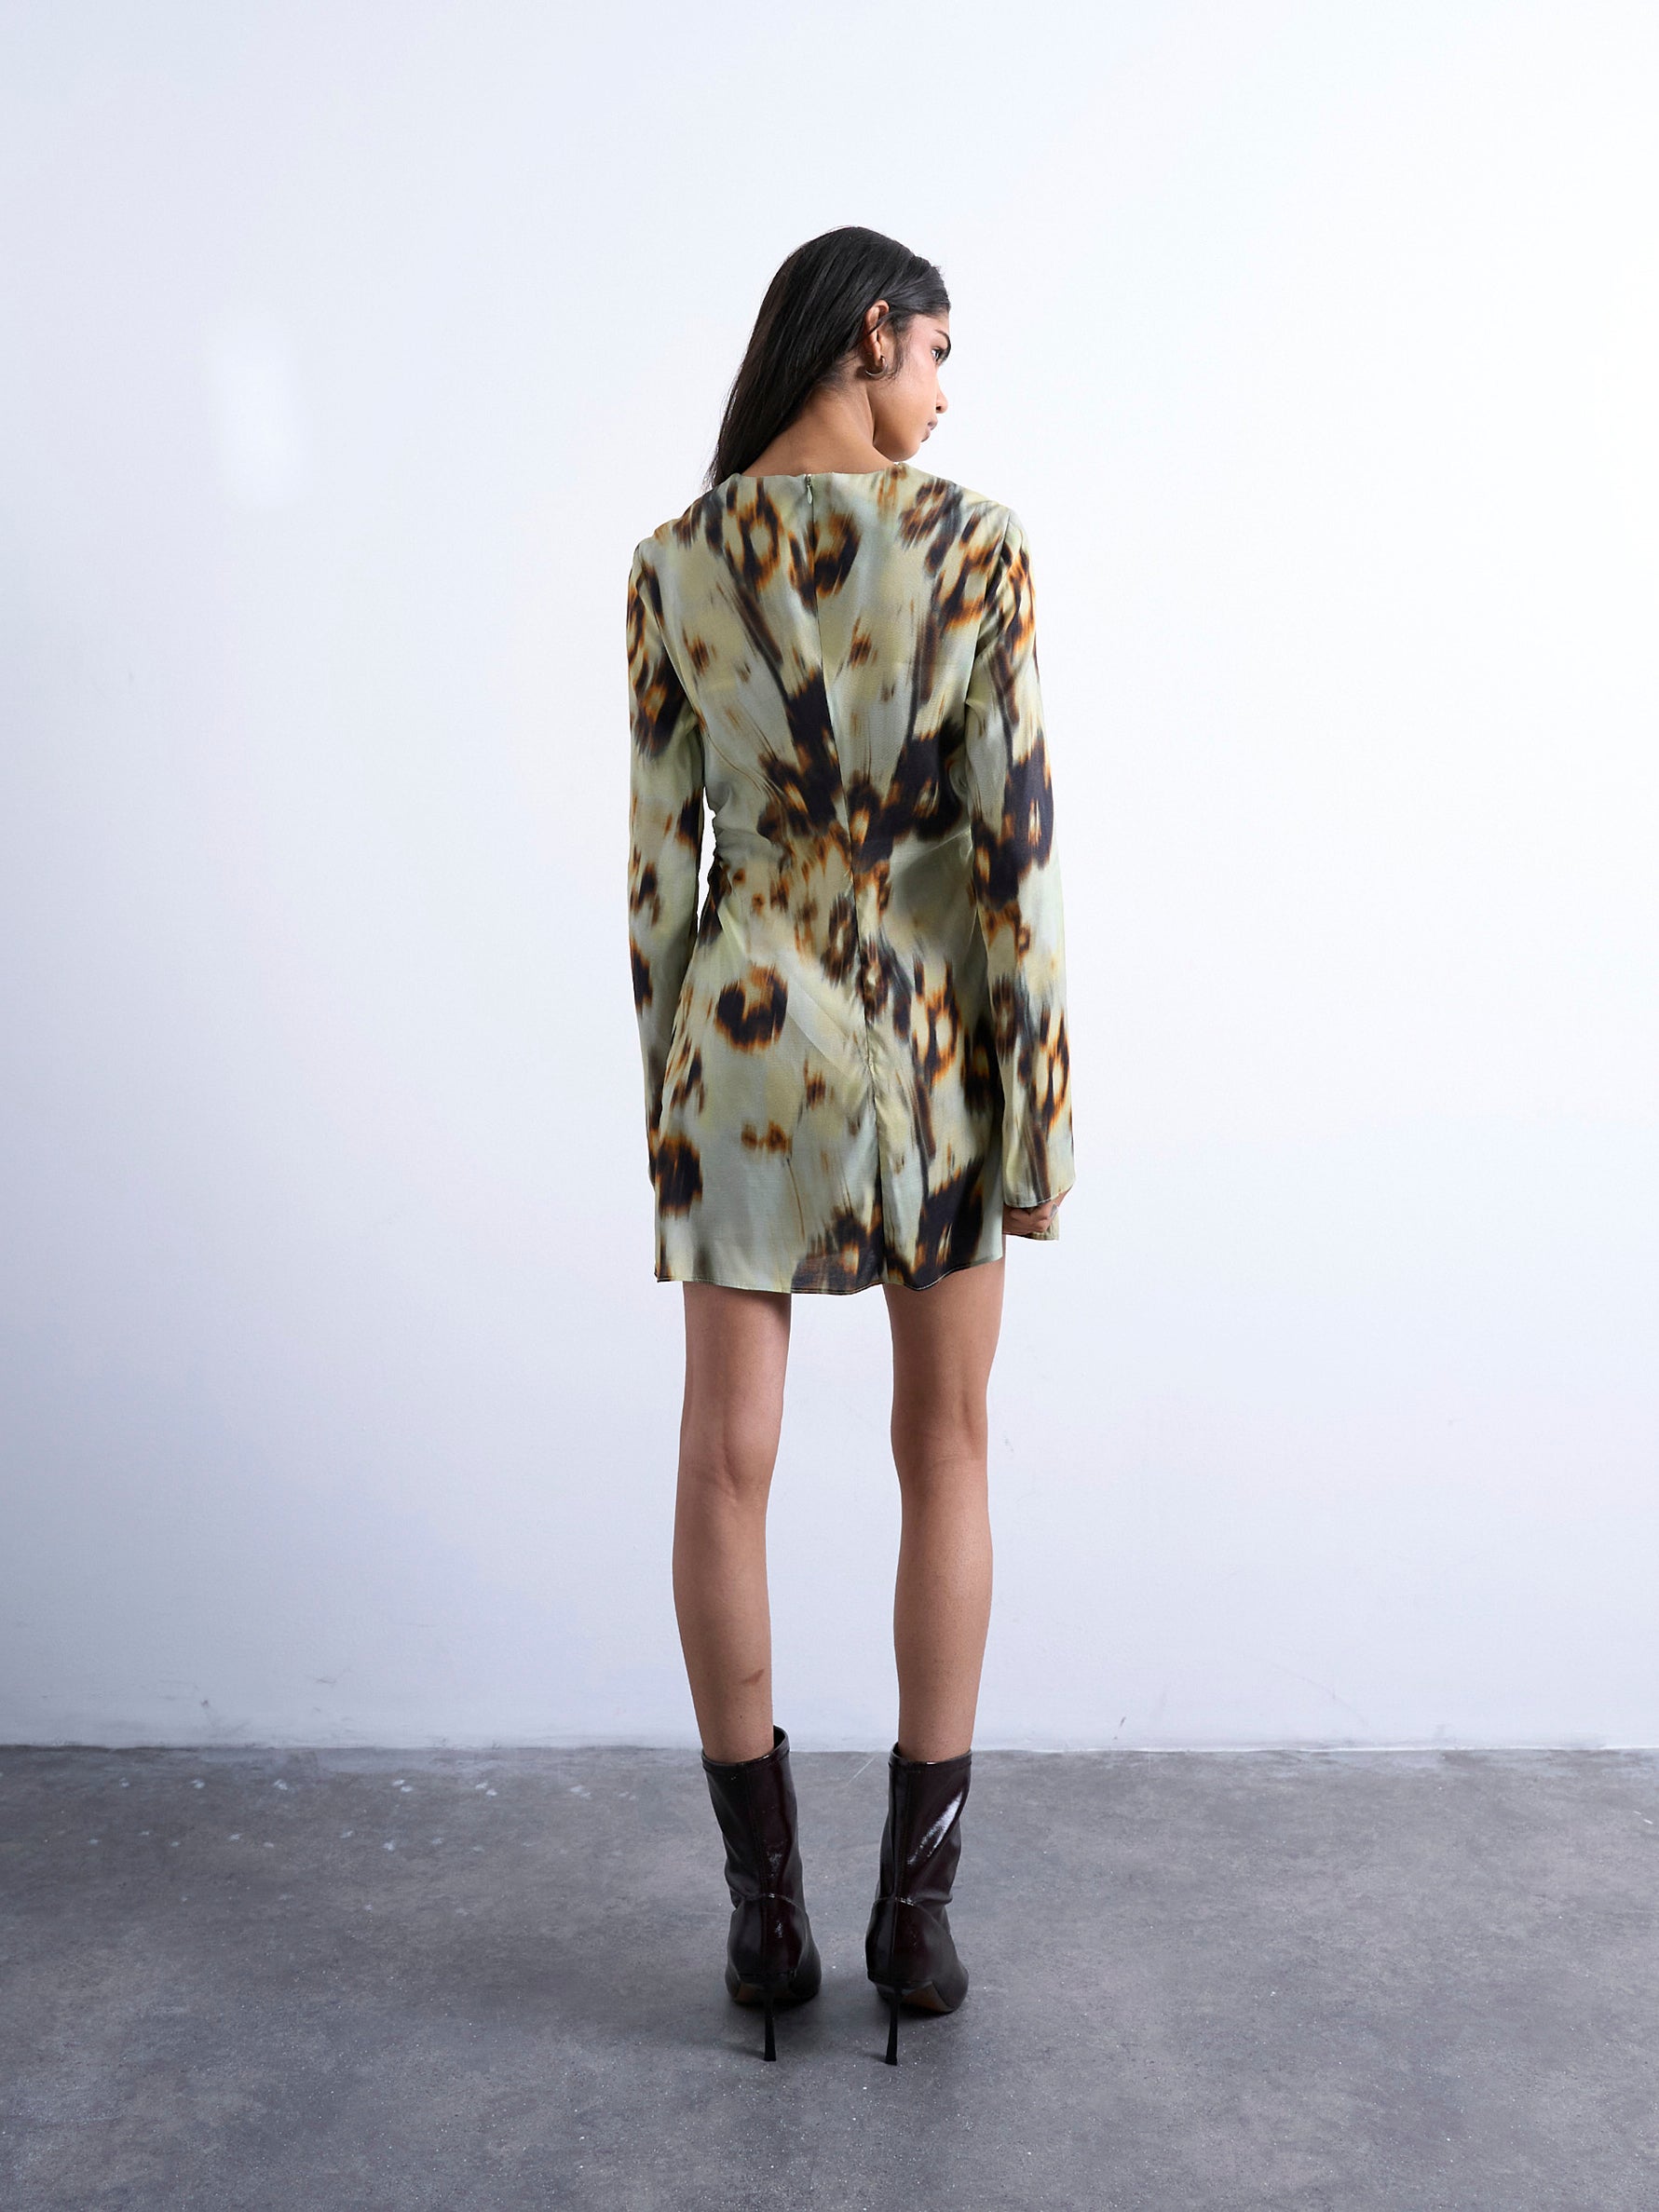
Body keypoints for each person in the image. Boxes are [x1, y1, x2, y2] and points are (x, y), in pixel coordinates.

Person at [623, 225, 1075, 2064]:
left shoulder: (676, 562)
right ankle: (918, 1917)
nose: (945, 393)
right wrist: (1040, 1111)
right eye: (937, 352)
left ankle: (763, 1918)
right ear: (871, 336)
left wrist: (669, 1106)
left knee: (723, 1466)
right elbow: (1015, 856)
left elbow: (657, 879)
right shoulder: (977, 546)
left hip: (741, 1052)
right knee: (946, 1446)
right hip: (937, 1052)